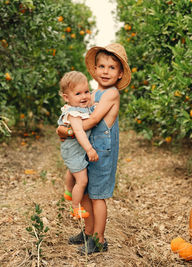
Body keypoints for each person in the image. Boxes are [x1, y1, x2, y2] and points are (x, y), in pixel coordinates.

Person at [56, 43, 131, 254]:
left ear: (119, 74)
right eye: (101, 66)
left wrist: (67, 131)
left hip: (102, 152)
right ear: (95, 69)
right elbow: (77, 112)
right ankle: (88, 233)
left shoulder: (111, 94)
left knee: (98, 196)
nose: (105, 71)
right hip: (89, 149)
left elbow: (93, 120)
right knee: (87, 192)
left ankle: (99, 239)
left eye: (112, 67)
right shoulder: (93, 93)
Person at [57, 71, 99, 219]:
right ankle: (75, 207)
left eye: (86, 92)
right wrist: (89, 149)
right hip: (75, 150)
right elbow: (79, 132)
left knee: (72, 170)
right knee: (82, 180)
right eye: (78, 93)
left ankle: (68, 190)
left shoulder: (79, 108)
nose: (84, 96)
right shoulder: (73, 114)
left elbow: (91, 104)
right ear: (66, 98)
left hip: (73, 150)